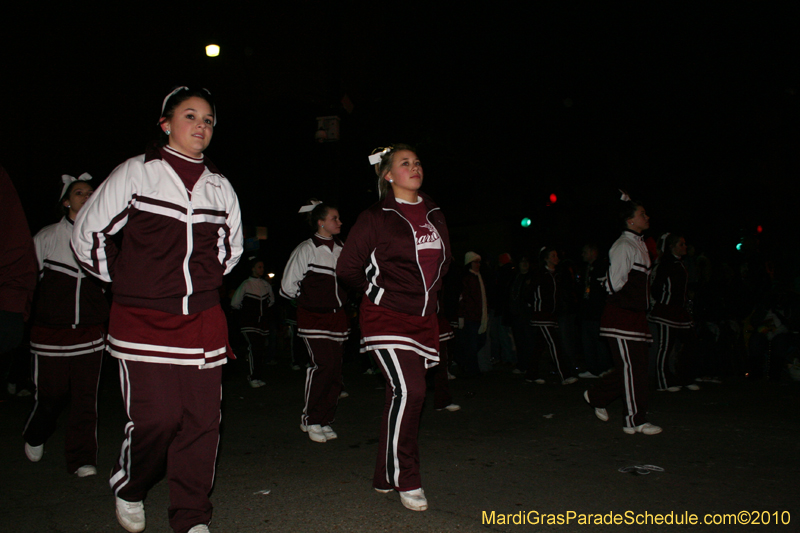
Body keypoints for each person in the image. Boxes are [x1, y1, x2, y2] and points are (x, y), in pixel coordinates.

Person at [72, 86, 242, 533]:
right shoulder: (136, 173)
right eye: (191, 116)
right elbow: (89, 234)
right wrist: (127, 283)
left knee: (203, 423)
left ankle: (190, 516)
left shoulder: (219, 186)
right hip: (142, 320)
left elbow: (231, 250)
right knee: (159, 419)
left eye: (208, 119)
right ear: (165, 124)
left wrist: (201, 285)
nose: (201, 126)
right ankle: (130, 485)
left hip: (203, 320)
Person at [337, 144, 451, 512]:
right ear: (388, 175)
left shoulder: (433, 211)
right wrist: (378, 293)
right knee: (412, 391)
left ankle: (385, 474)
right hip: (385, 317)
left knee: (399, 395)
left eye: (417, 161)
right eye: (405, 163)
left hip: (423, 318)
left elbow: (442, 264)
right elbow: (347, 268)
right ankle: (407, 476)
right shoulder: (376, 216)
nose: (414, 167)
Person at [23, 174, 109, 477]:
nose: (86, 196)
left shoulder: (102, 240)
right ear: (65, 201)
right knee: (51, 397)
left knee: (86, 399)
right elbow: (25, 284)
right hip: (50, 336)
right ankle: (36, 433)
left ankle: (82, 458)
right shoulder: (46, 237)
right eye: (78, 192)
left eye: (90, 192)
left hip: (90, 336)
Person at [584, 191, 662, 435]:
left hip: (634, 317)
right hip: (621, 318)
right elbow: (613, 283)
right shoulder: (623, 246)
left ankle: (597, 395)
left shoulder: (638, 245)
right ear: (630, 220)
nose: (646, 217)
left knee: (633, 369)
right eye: (642, 214)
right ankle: (634, 420)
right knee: (632, 370)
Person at [280, 200, 349, 443]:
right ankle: (309, 419)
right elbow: (288, 288)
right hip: (313, 318)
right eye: (334, 218)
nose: (339, 222)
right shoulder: (306, 249)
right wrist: (310, 302)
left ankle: (324, 419)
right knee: (322, 366)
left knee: (335, 371)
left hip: (338, 318)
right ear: (321, 223)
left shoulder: (342, 250)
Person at [649, 233, 700, 392]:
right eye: (681, 244)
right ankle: (663, 382)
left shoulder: (680, 264)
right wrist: (664, 301)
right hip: (666, 311)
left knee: (690, 342)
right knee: (665, 347)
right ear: (672, 247)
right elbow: (656, 287)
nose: (685, 247)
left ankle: (684, 377)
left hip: (679, 311)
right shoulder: (666, 264)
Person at [525, 247, 577, 385]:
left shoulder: (556, 274)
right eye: (553, 256)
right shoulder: (540, 274)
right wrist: (534, 306)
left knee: (539, 346)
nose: (556, 258)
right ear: (546, 258)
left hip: (551, 314)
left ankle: (531, 374)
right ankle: (565, 375)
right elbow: (529, 291)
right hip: (541, 314)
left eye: (556, 255)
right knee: (555, 343)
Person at [231, 257, 275, 388]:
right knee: (254, 347)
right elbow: (234, 302)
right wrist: (245, 312)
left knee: (260, 349)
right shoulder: (246, 284)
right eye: (259, 267)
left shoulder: (266, 285)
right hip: (249, 323)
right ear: (253, 268)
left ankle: (257, 376)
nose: (261, 269)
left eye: (262, 267)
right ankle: (253, 377)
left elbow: (271, 301)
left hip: (261, 323)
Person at [458, 251, 488, 377]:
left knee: (479, 341)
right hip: (471, 316)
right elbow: (463, 298)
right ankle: (472, 370)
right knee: (473, 343)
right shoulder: (468, 279)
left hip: (478, 316)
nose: (478, 265)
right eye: (476, 262)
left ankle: (465, 363)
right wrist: (462, 316)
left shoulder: (478, 277)